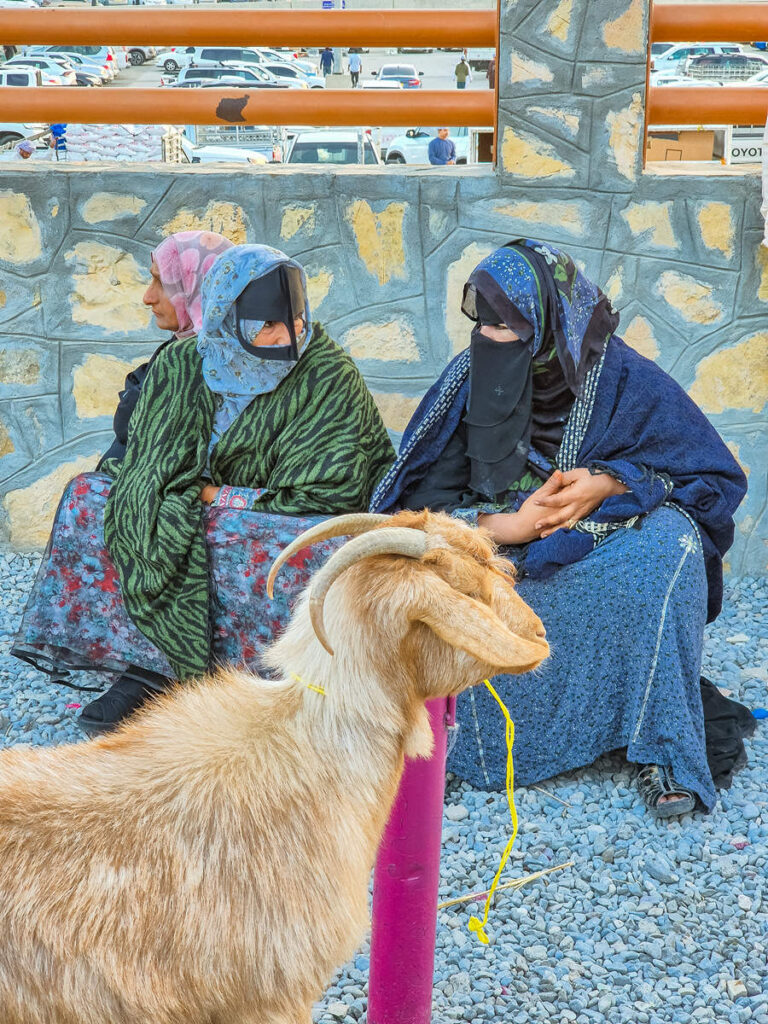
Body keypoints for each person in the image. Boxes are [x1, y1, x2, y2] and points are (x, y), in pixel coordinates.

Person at [370, 239, 748, 819]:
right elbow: (410, 510)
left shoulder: (625, 381)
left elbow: (713, 479)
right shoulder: (469, 379)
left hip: (597, 549)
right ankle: (471, 745)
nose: (492, 343)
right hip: (493, 557)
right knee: (424, 579)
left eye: (511, 330)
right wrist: (508, 525)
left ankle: (660, 746)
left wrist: (613, 482)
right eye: (485, 327)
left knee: (672, 544)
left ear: (552, 326)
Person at [13, 244, 395, 734]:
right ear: (222, 321)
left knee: (308, 547)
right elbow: (145, 464)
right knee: (90, 501)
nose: (290, 334)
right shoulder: (180, 366)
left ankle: (265, 683)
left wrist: (215, 497)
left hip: (272, 519)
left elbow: (330, 495)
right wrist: (168, 494)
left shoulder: (326, 375)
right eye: (267, 326)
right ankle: (152, 665)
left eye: (294, 319)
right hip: (197, 503)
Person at [97, 229, 235, 467]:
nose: (148, 297)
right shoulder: (177, 349)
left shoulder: (220, 367)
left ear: (199, 286)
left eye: (162, 282)